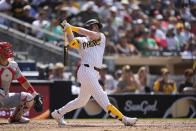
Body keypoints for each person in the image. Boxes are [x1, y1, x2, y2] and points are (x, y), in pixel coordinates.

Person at [51, 19, 137, 126]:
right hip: (86, 70)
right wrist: (68, 31)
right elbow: (72, 43)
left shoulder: (101, 37)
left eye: (97, 26)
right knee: (102, 96)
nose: (96, 28)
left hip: (95, 72)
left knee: (81, 101)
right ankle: (124, 119)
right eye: (93, 26)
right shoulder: (82, 40)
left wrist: (70, 27)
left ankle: (58, 113)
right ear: (88, 26)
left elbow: (89, 33)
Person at [0, 42, 42, 123]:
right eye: (5, 49)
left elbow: (22, 80)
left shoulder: (13, 65)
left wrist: (35, 95)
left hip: (5, 96)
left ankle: (15, 117)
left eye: (8, 49)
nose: (8, 51)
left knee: (29, 98)